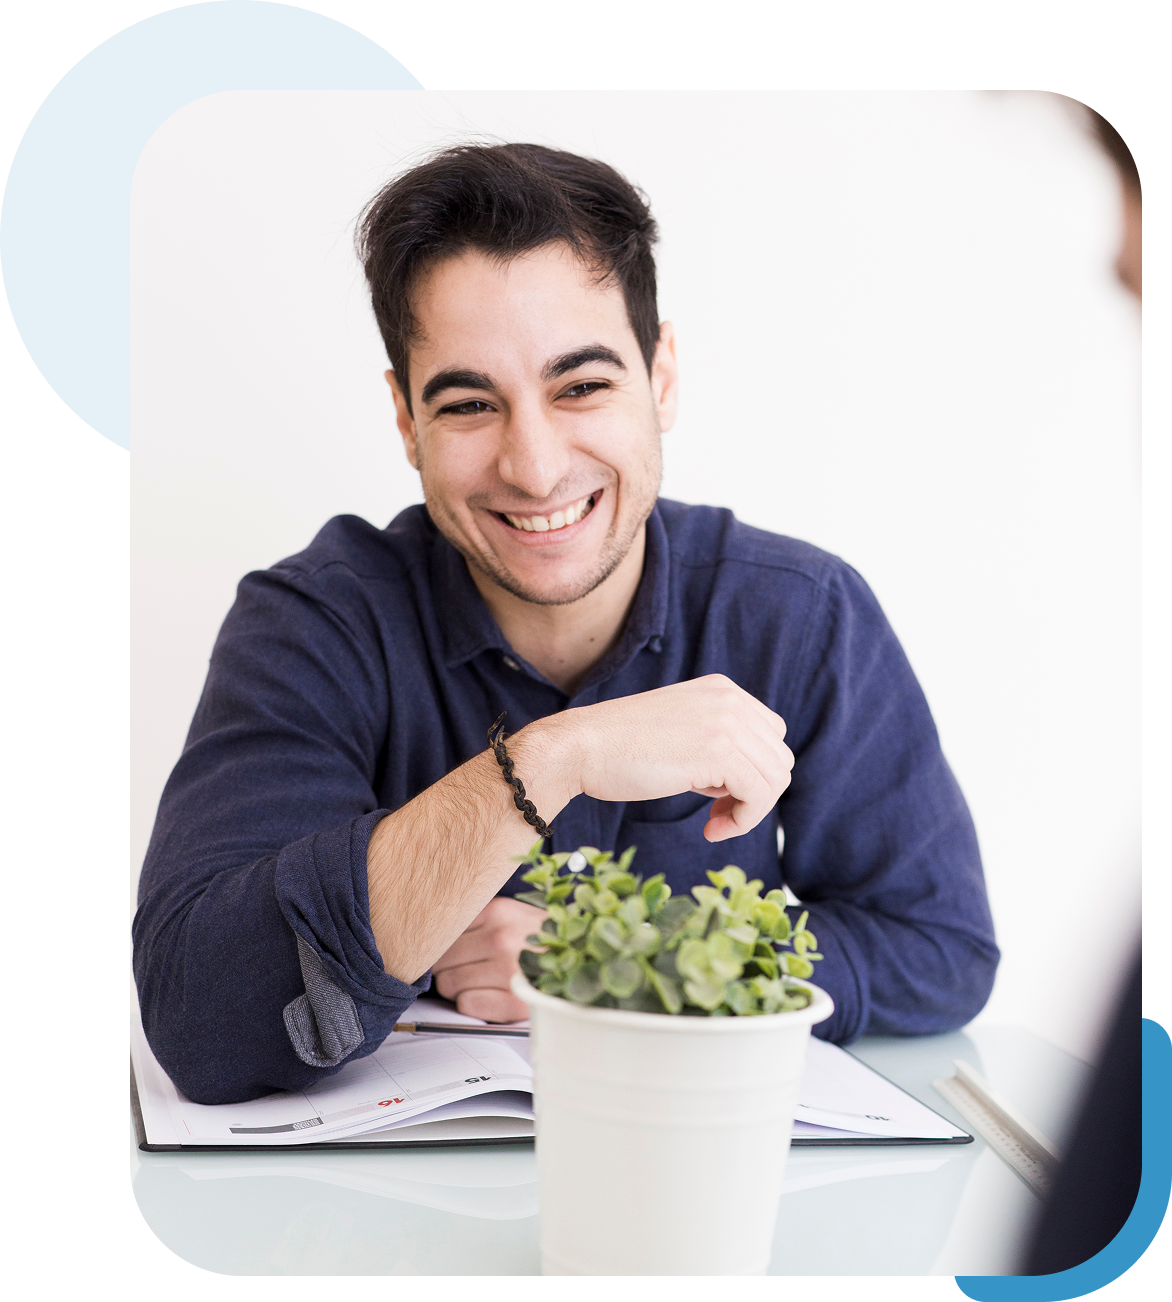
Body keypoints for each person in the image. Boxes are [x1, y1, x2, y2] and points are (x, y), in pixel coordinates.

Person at [133, 142, 999, 1106]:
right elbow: (199, 1016)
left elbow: (940, 949)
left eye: (581, 386)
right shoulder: (314, 624)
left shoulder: (801, 611)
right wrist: (553, 762)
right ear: (405, 420)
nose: (536, 468)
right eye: (469, 403)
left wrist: (625, 964)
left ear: (661, 376)